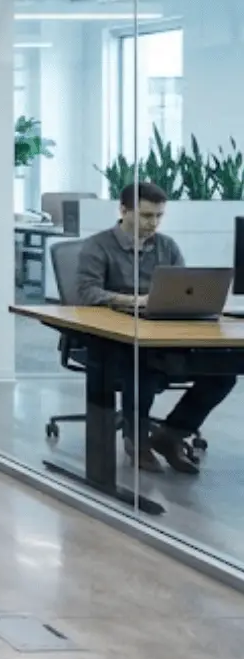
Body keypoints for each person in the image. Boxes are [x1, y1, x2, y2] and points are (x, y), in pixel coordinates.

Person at [75, 181, 237, 473]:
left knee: (224, 372)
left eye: (159, 216)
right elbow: (87, 293)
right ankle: (136, 441)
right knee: (142, 366)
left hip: (164, 334)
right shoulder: (97, 246)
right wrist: (135, 301)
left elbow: (184, 289)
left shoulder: (167, 246)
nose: (154, 223)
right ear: (124, 210)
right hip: (115, 339)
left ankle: (171, 435)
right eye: (147, 216)